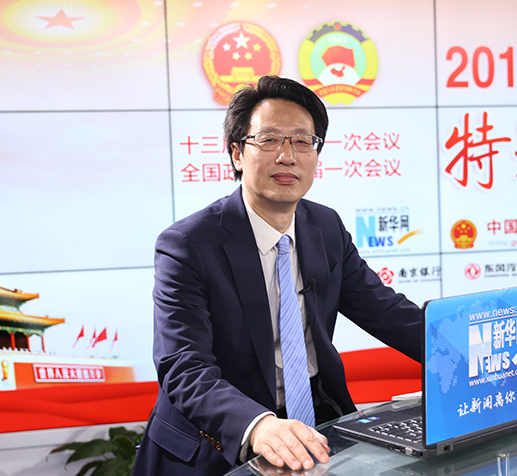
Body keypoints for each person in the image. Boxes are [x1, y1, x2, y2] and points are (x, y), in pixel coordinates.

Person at [133, 75, 423, 475]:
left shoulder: (325, 227)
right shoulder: (188, 245)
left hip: (316, 424)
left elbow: (388, 312)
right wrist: (258, 425)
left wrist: (467, 352)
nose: (288, 156)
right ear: (237, 153)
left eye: (303, 141)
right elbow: (184, 366)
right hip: (217, 443)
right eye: (269, 140)